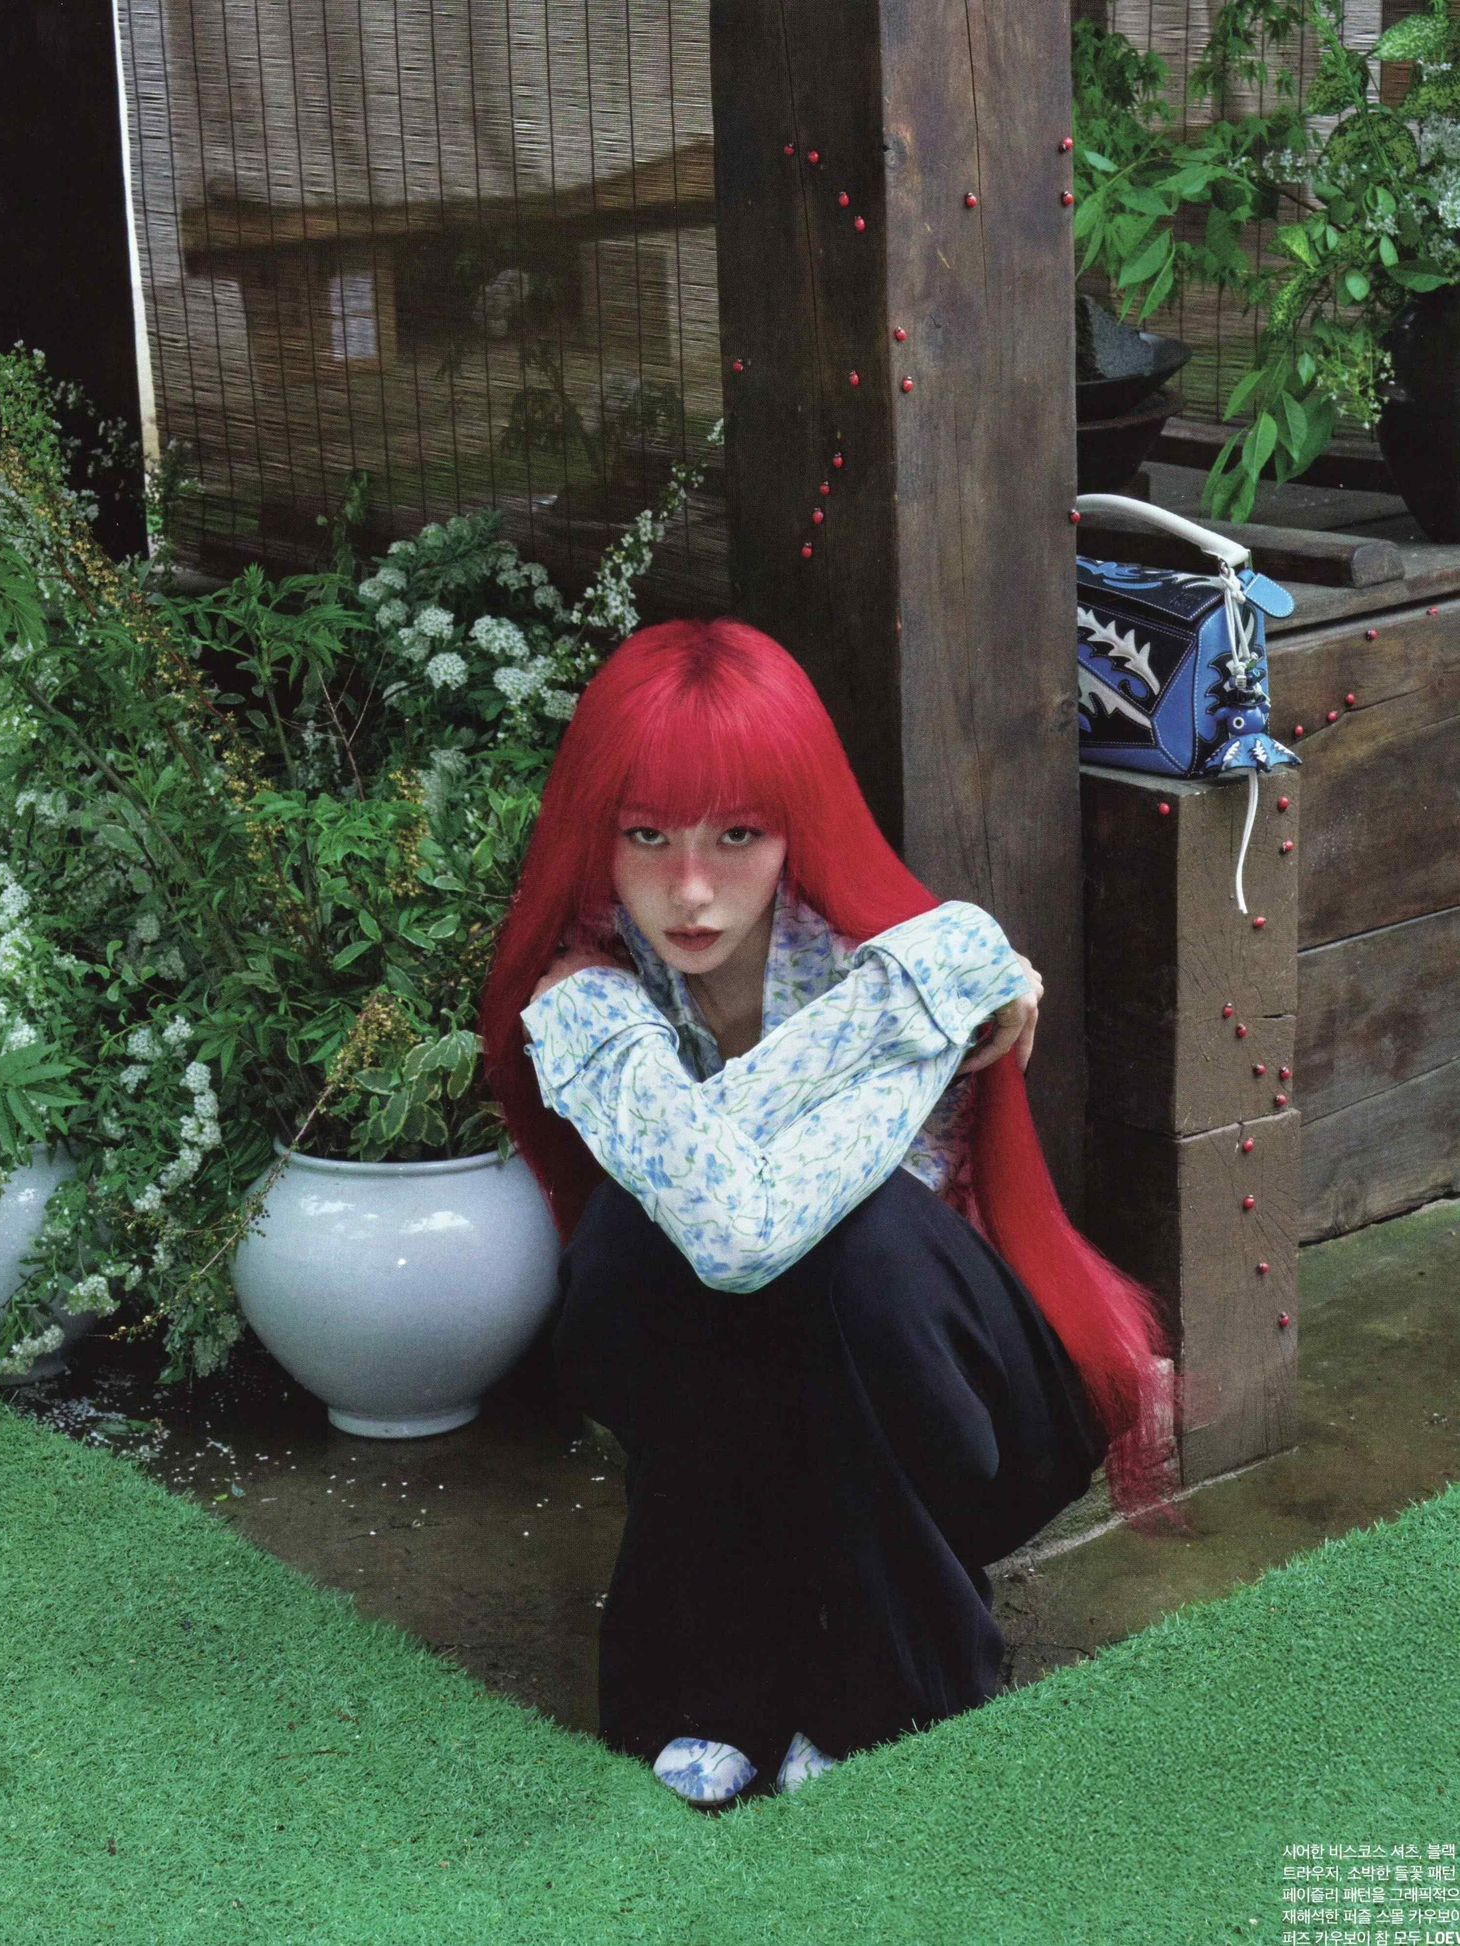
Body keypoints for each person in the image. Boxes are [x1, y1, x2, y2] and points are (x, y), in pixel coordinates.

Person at [479, 618, 1183, 1808]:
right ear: (596, 834)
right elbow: (732, 1229)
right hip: (748, 1404)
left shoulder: (867, 947)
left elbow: (814, 1231)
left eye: (736, 835)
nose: (690, 887)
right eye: (647, 835)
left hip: (944, 1401)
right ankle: (710, 1687)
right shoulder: (597, 989)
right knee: (637, 1243)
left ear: (793, 824)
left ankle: (888, 1691)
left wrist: (929, 978)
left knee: (861, 1246)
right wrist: (922, 1002)